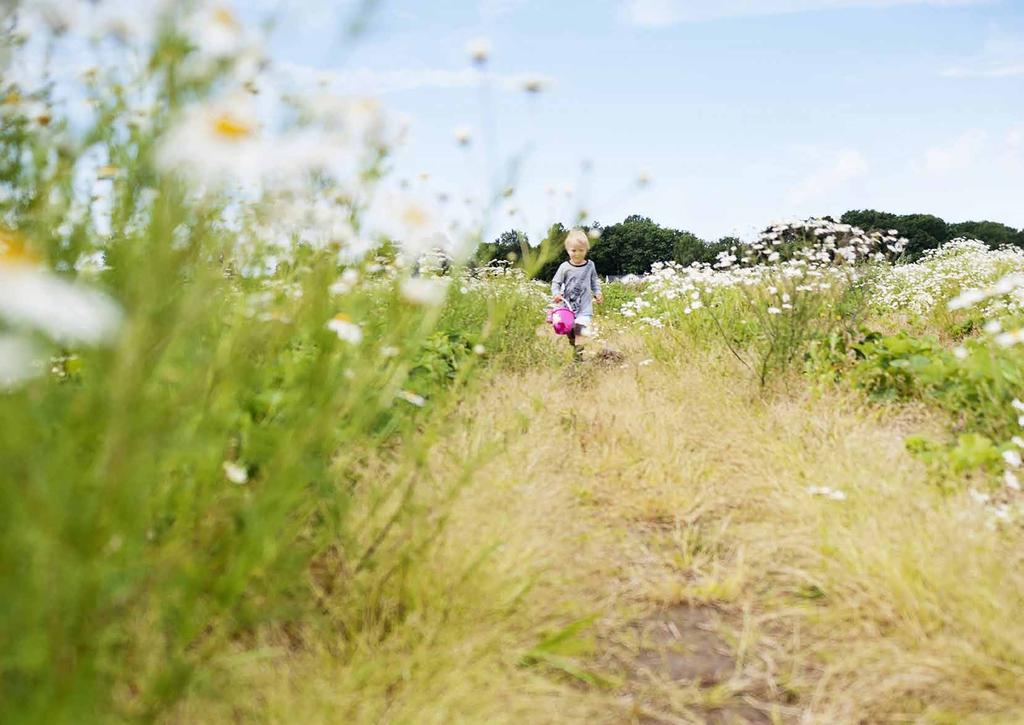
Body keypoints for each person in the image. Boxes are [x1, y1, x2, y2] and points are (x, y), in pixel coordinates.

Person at [551, 229, 603, 360]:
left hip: (584, 309)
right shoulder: (564, 267)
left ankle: (577, 361)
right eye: (574, 250)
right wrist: (556, 293)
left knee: (580, 331)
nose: (578, 254)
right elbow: (556, 283)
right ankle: (573, 342)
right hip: (568, 309)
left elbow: (594, 281)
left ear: (586, 249)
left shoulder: (590, 265)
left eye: (581, 250)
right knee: (571, 333)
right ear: (568, 250)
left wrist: (597, 293)